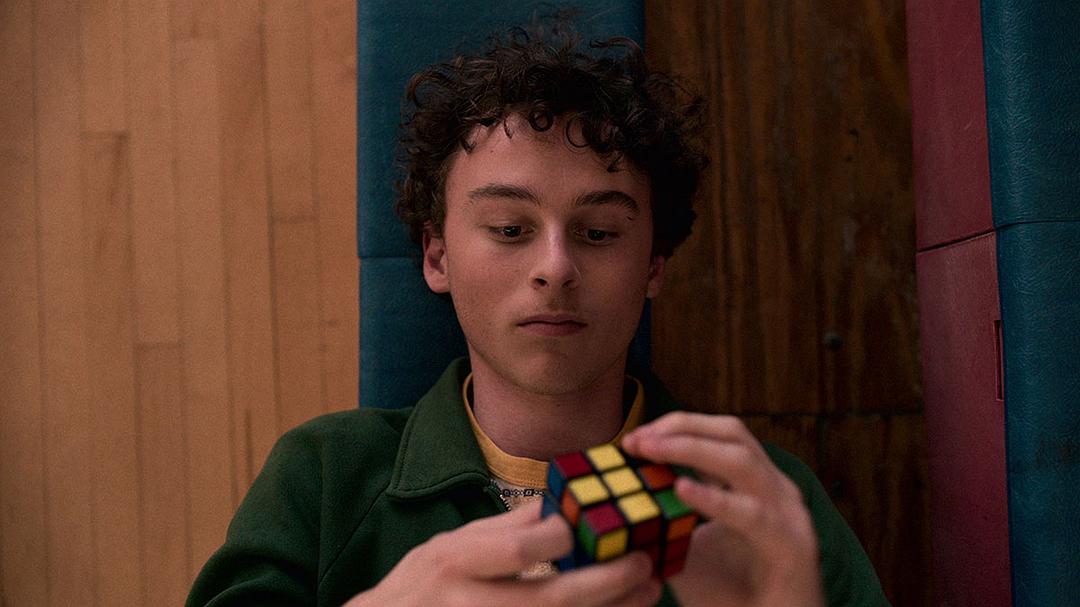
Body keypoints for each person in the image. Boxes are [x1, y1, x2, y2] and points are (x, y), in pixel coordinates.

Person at [187, 23, 890, 607]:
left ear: (653, 266)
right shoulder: (325, 478)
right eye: (509, 228)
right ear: (437, 256)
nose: (556, 266)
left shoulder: (758, 500)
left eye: (599, 233)